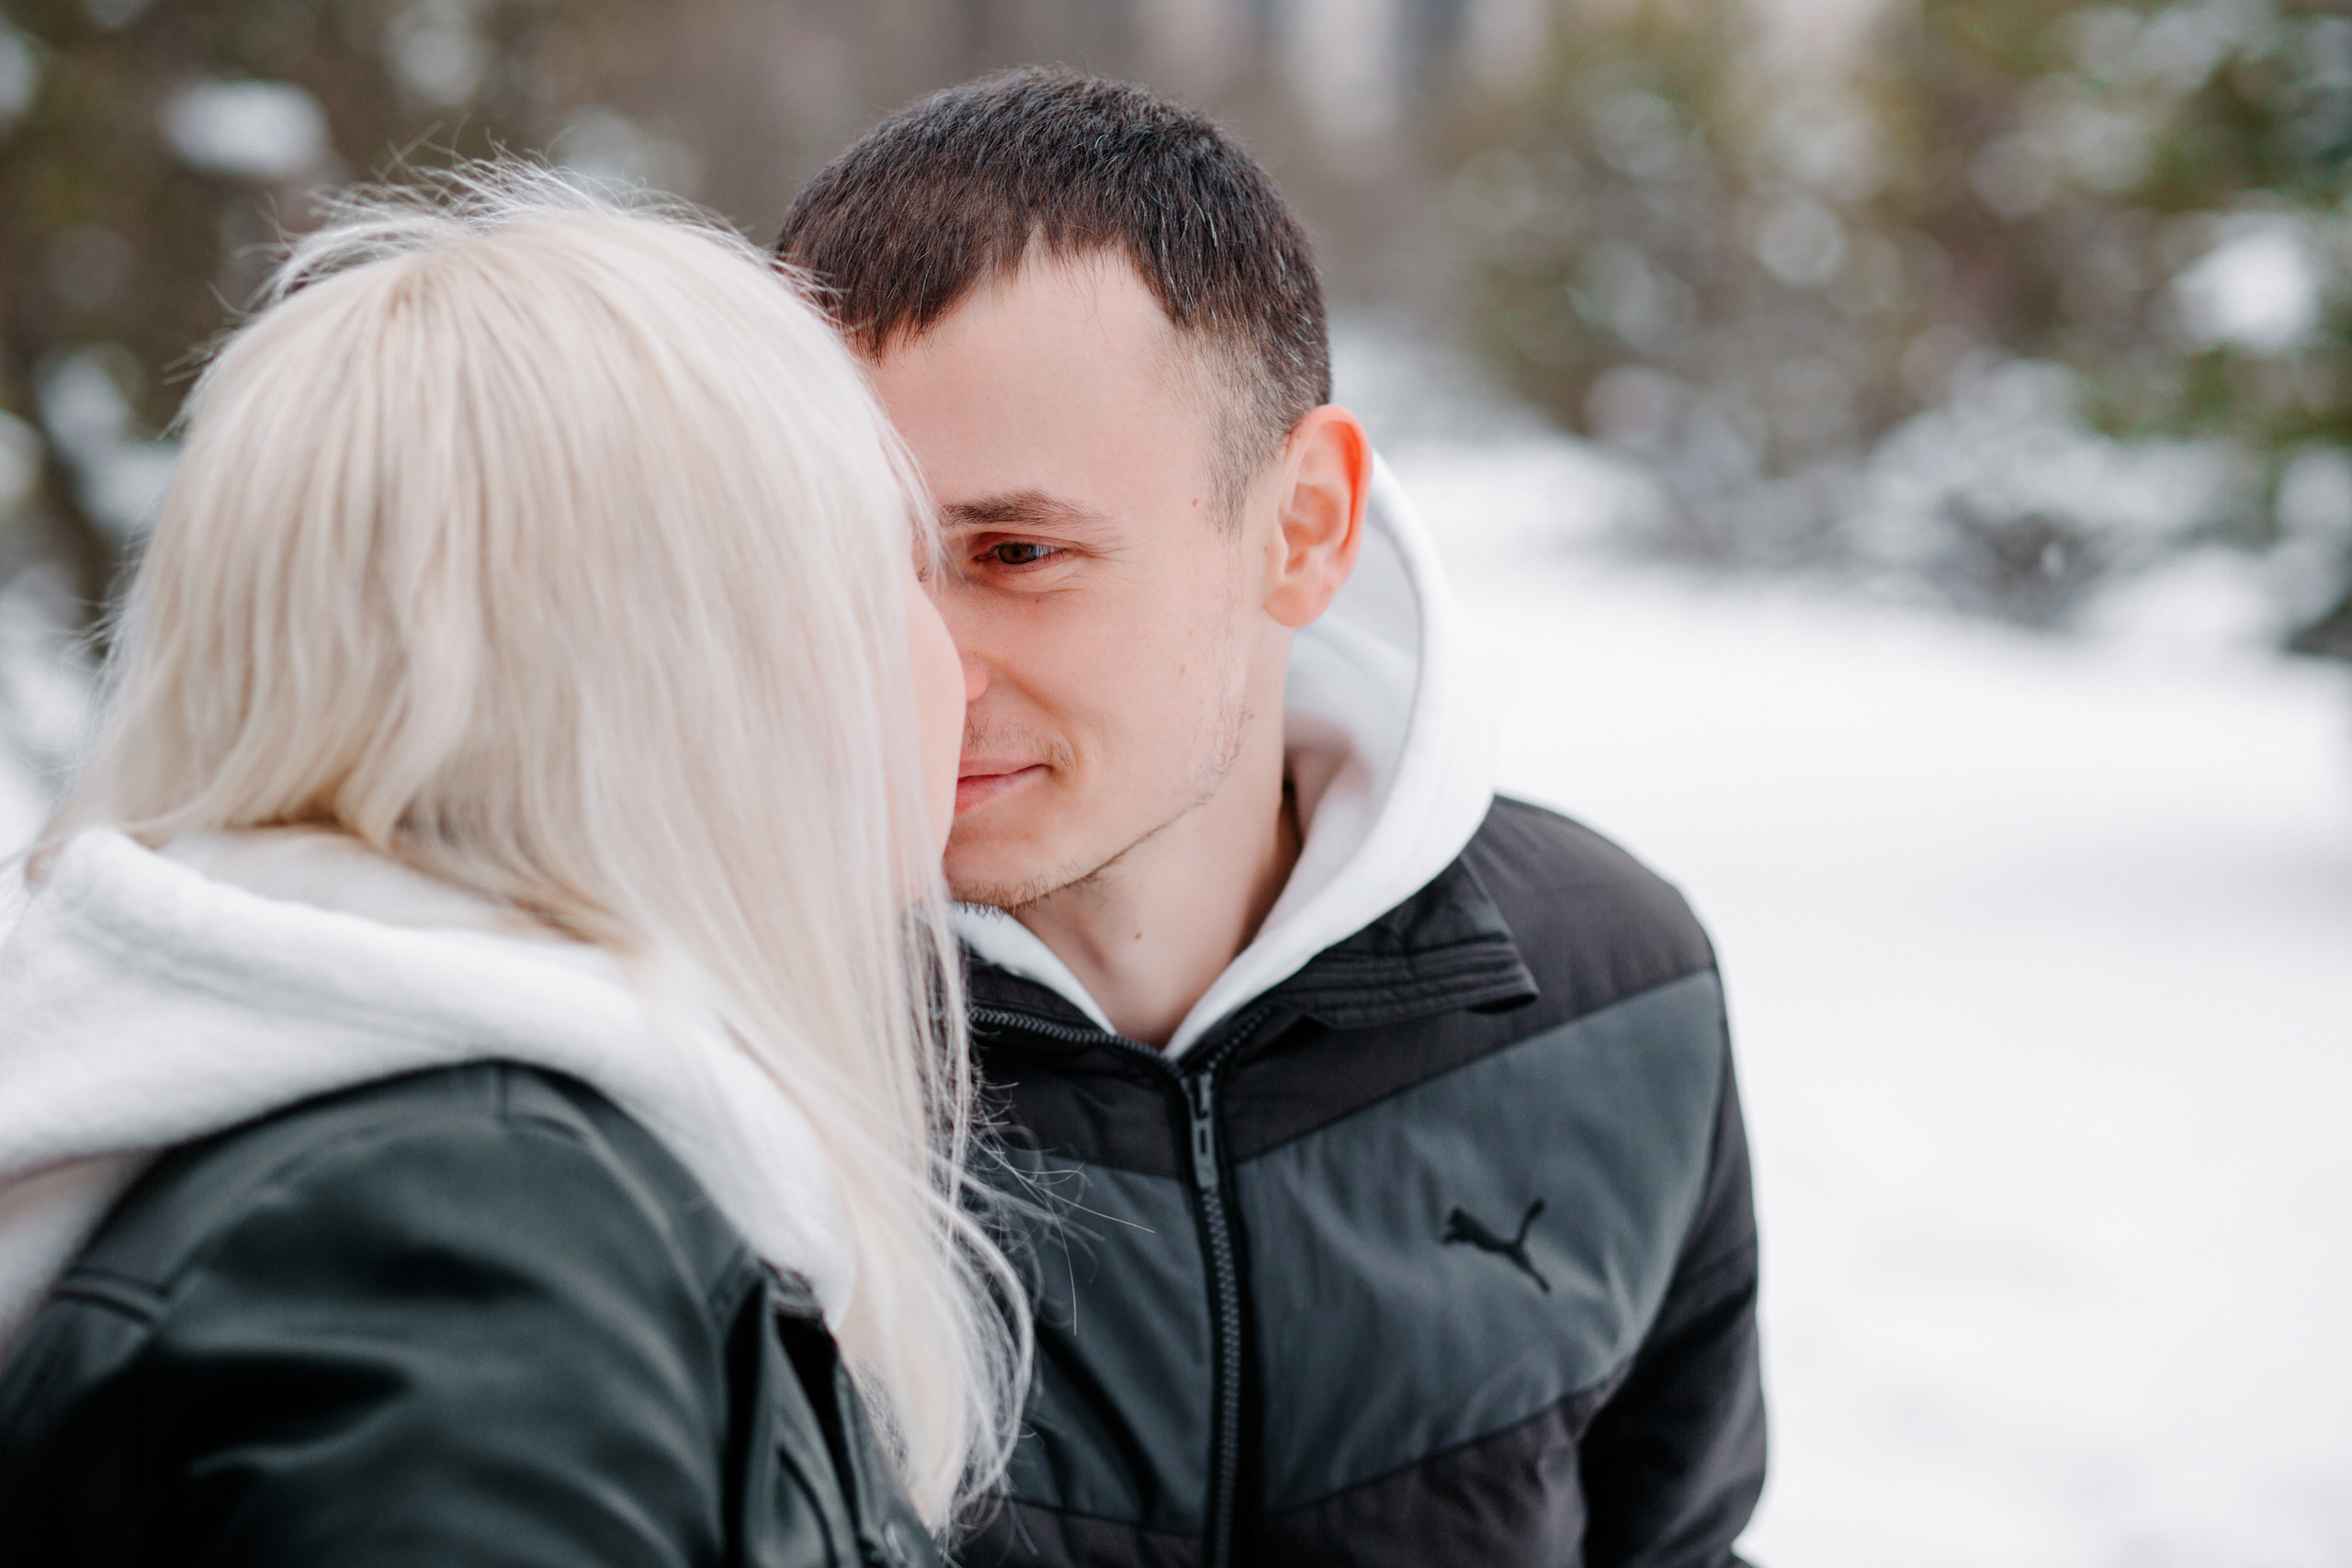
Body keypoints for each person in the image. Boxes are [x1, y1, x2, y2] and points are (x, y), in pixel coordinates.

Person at [775, 70, 1766, 1568]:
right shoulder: (719, 1027)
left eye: (1020, 550)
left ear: (1301, 528)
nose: (917, 665)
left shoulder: (1610, 985)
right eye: (856, 556)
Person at [0, 165, 1023, 1565]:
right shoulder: (467, 1259)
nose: (953, 658)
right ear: (683, 668)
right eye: (892, 566)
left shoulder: (390, 1170)